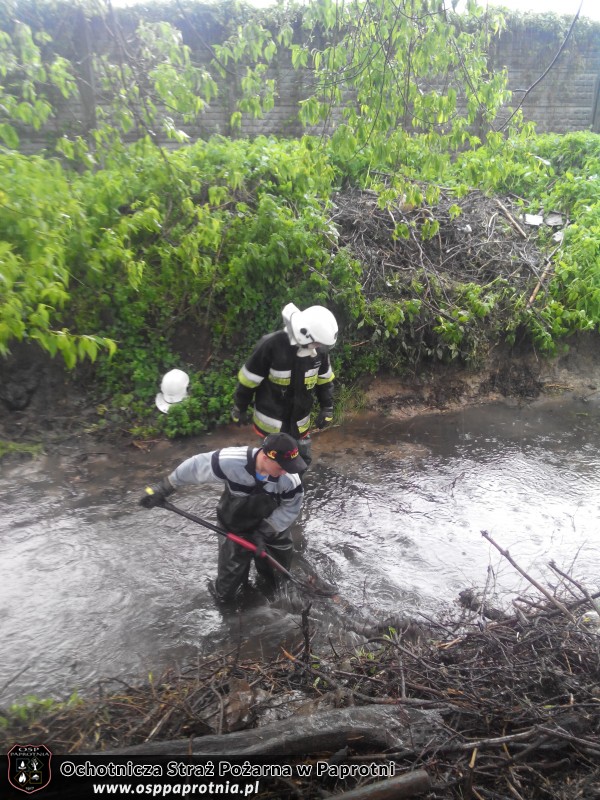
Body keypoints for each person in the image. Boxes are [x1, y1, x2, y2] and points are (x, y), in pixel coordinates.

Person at [139, 432, 305, 604]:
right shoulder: (230, 461)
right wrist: (164, 488)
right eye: (281, 466)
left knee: (278, 582)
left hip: (273, 528)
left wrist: (265, 532)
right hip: (234, 526)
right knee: (226, 591)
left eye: (290, 466)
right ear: (265, 457)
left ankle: (270, 601)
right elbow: (196, 466)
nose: (286, 471)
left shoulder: (290, 479)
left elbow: (291, 508)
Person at [231, 303, 338, 469]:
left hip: (299, 424)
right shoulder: (271, 345)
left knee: (301, 464)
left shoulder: (319, 352)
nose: (319, 347)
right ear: (305, 335)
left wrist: (327, 407)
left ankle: (294, 492)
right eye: (317, 342)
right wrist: (240, 406)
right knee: (269, 468)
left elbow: (324, 381)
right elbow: (248, 380)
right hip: (271, 425)